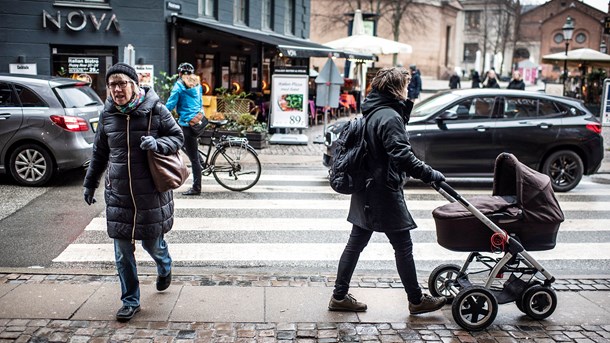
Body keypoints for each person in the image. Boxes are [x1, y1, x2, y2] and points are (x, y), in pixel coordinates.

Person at [328, 67, 447, 315]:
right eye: (405, 85)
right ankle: (416, 300)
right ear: (395, 89)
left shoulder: (375, 112)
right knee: (403, 245)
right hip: (383, 191)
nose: (408, 89)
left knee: (356, 243)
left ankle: (339, 296)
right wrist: (430, 174)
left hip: (368, 187)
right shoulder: (389, 116)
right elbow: (402, 156)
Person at [83, 62, 184, 322]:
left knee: (152, 244)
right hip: (118, 194)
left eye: (122, 83)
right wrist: (90, 182)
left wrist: (158, 143)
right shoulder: (106, 116)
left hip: (149, 194)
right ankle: (130, 300)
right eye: (112, 85)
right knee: (122, 253)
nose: (117, 89)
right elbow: (99, 154)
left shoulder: (156, 111)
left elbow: (177, 137)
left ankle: (165, 264)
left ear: (134, 84)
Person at [165, 62, 205, 196]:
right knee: (186, 145)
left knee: (193, 158)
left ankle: (196, 187)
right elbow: (200, 101)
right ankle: (201, 160)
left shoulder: (179, 86)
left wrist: (161, 114)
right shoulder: (197, 84)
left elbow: (170, 105)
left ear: (180, 73)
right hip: (199, 120)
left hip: (188, 124)